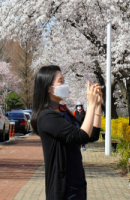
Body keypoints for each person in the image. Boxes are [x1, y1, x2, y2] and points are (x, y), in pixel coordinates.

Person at [31, 66, 102, 200]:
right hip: (62, 188)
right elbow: (81, 135)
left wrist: (97, 106)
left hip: (77, 183)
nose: (65, 84)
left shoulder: (64, 112)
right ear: (48, 88)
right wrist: (90, 105)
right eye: (60, 81)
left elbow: (91, 135)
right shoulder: (46, 117)